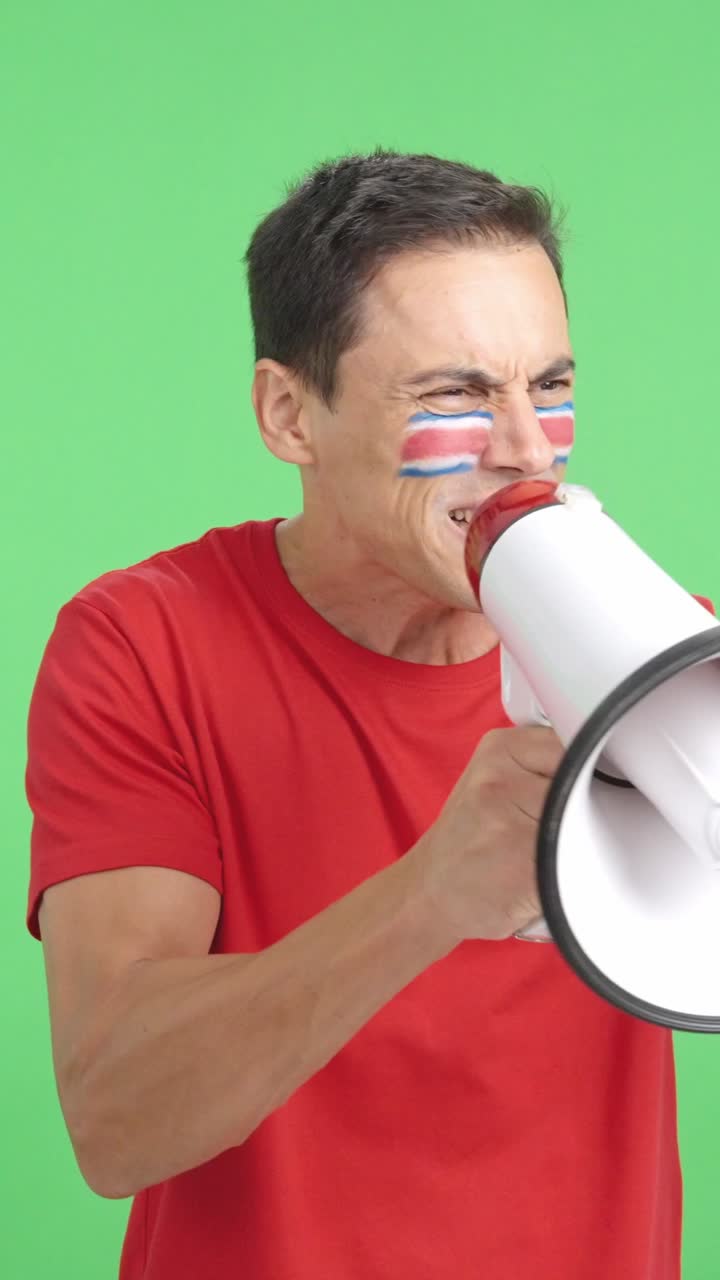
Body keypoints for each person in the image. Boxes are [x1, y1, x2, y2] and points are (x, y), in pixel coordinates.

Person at [25, 150, 712, 1279]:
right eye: (454, 394)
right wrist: (428, 898)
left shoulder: (669, 658)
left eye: (550, 385)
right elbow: (115, 1114)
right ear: (290, 413)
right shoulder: (144, 645)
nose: (527, 450)